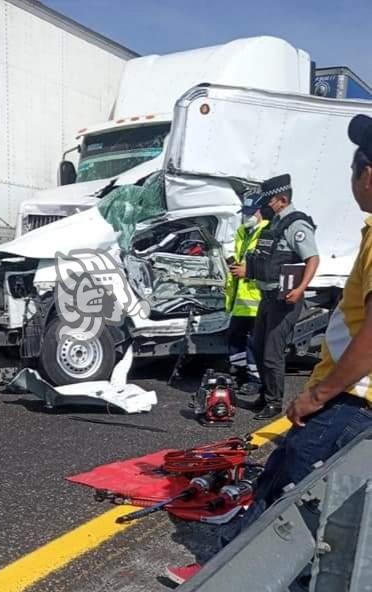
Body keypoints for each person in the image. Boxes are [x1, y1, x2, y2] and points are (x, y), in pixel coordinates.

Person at [165, 114, 372, 586]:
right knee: (315, 505)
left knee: (284, 501)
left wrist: (317, 397)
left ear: (368, 173)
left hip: (350, 401)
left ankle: (221, 576)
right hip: (352, 400)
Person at [239, 173, 320, 419]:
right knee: (260, 346)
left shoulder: (296, 225)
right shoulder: (274, 223)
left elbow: (313, 258)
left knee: (273, 352)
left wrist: (300, 289)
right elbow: (269, 260)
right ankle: (265, 395)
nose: (266, 206)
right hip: (268, 297)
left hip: (284, 299)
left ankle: (274, 402)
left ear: (282, 200)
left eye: (270, 201)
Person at [226, 193, 269, 389]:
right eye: (245, 212)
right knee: (235, 338)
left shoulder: (267, 232)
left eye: (251, 212)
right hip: (240, 299)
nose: (247, 216)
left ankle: (255, 379)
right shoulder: (243, 231)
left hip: (257, 298)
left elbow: (269, 266)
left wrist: (247, 271)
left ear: (260, 211)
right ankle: (238, 373)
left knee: (254, 342)